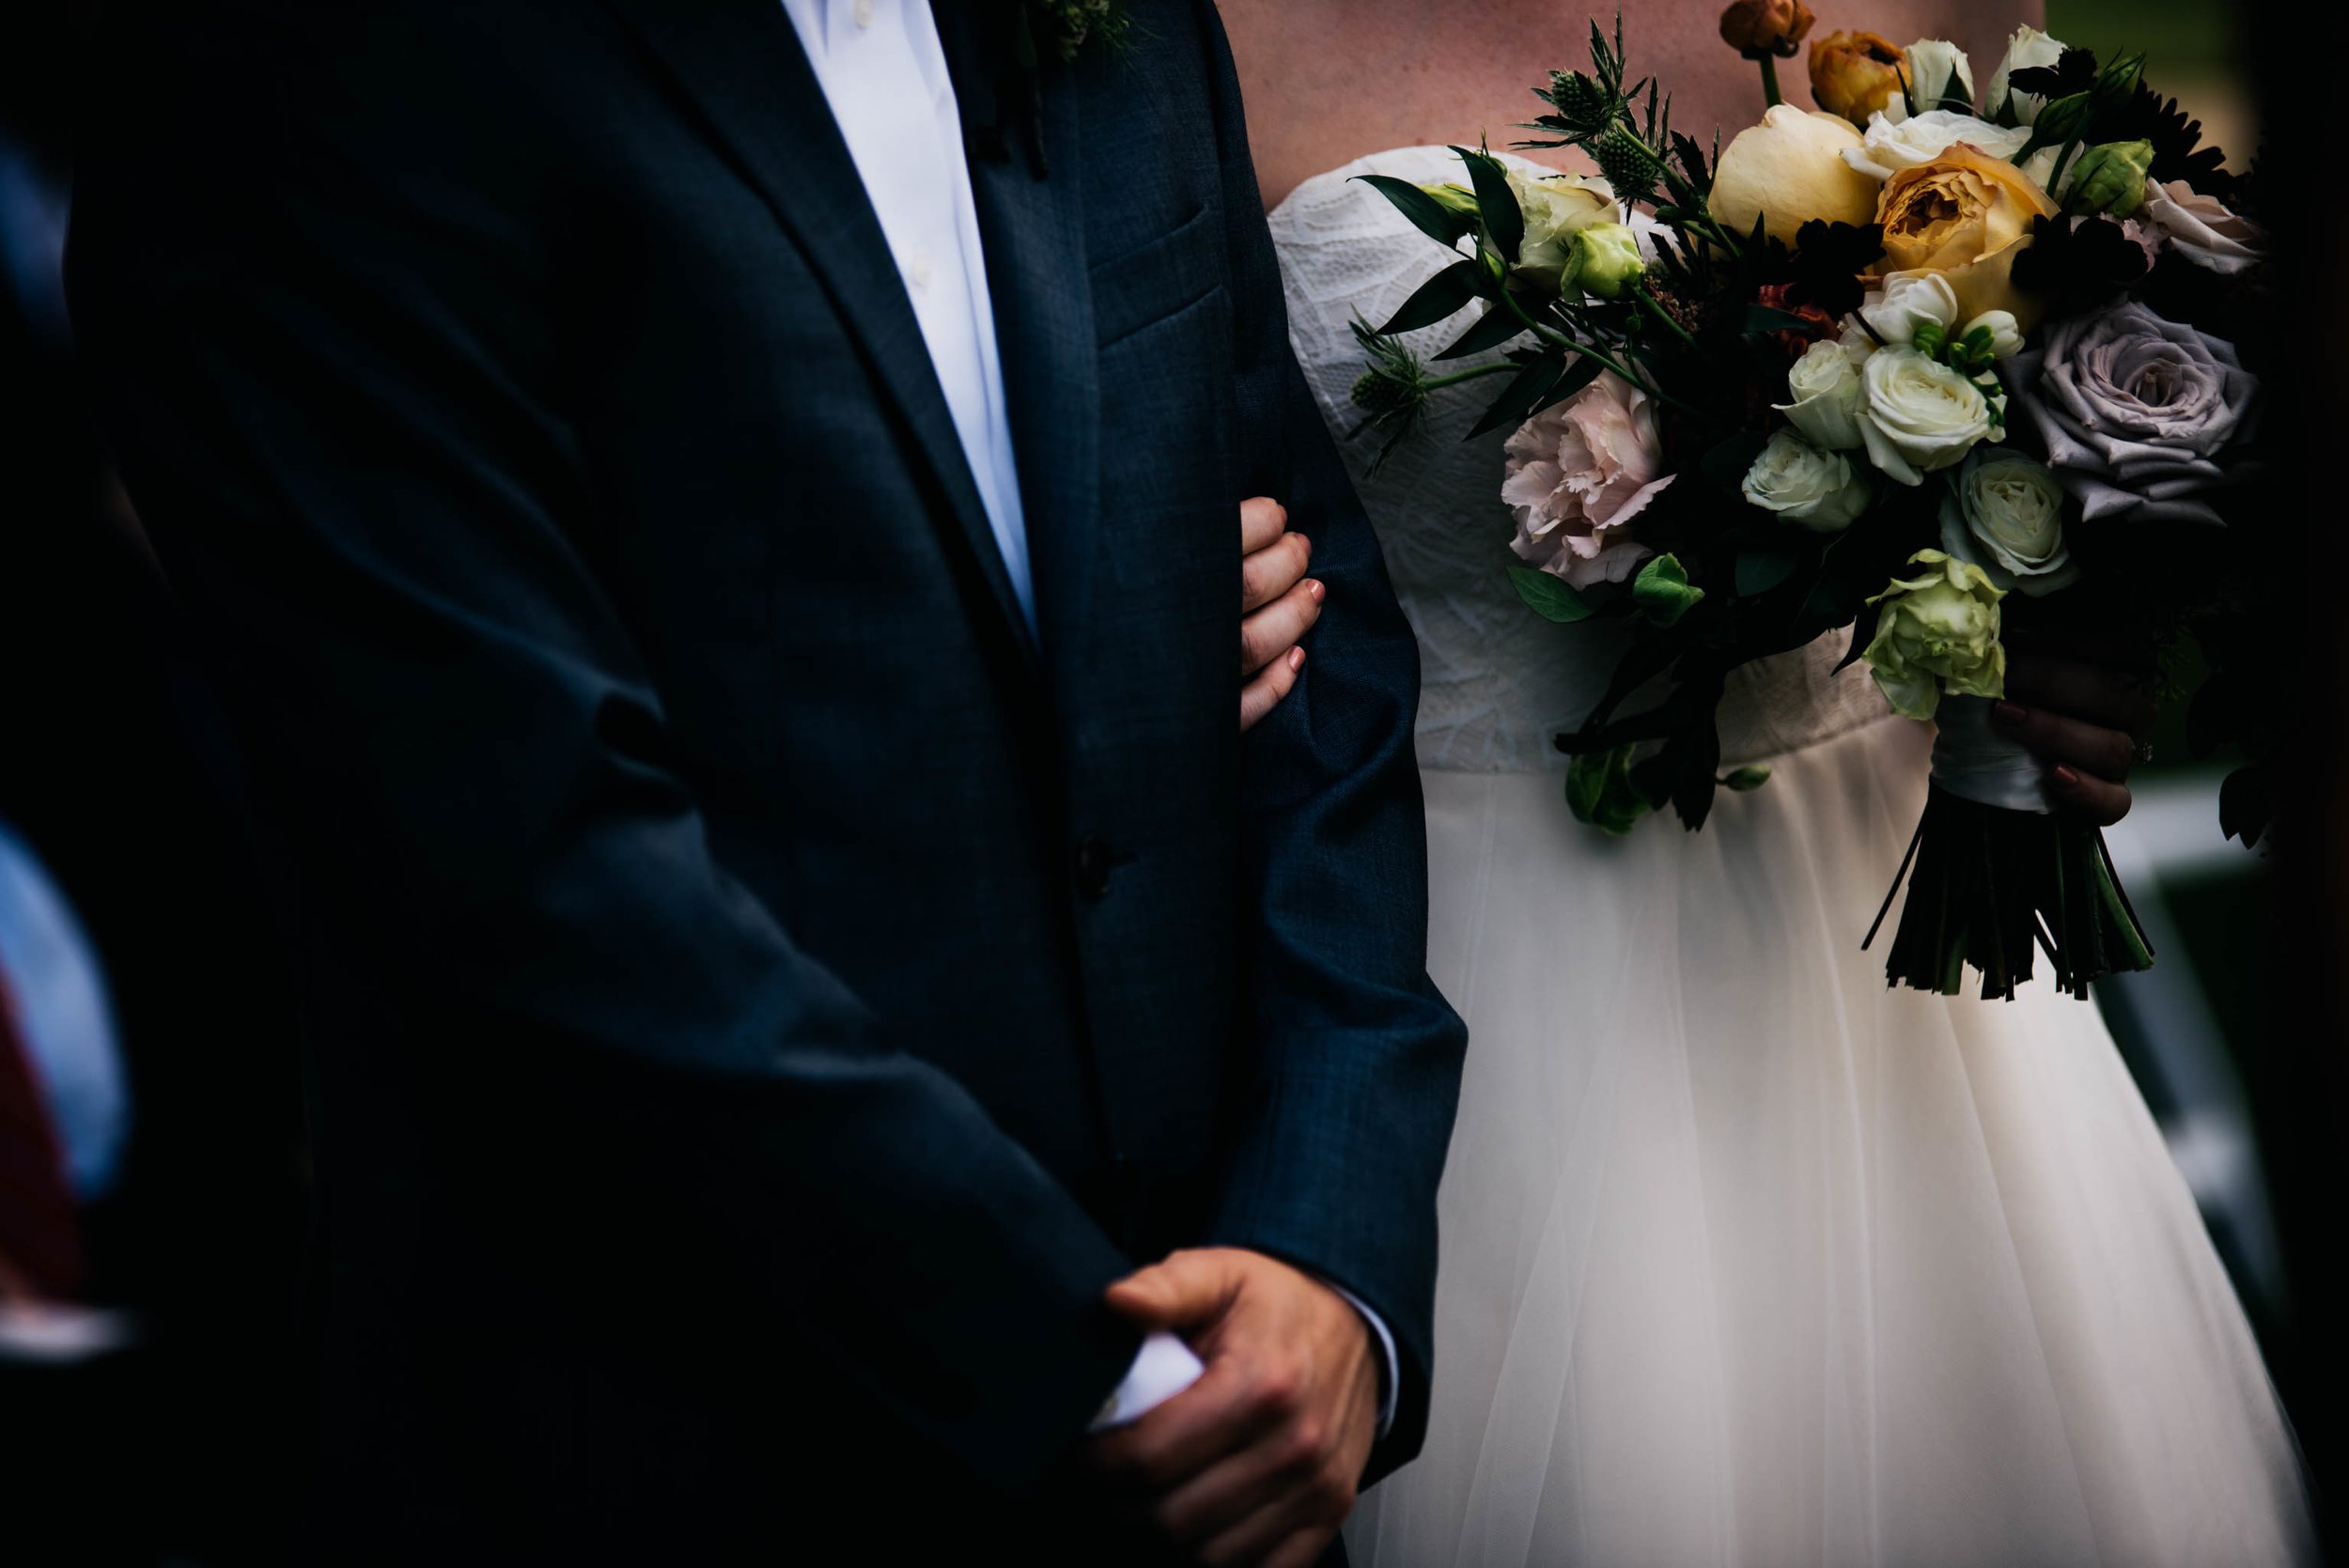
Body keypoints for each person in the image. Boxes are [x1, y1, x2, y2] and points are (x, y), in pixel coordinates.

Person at [69, 1, 1463, 1562]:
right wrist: (1109, 1377)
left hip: (1245, 1425)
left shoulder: (1114, 28)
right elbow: (538, 877)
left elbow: (1326, 657)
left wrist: (1325, 1263)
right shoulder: (313, 73)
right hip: (684, 1451)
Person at [1217, 0, 2319, 1562]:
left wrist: (2058, 610)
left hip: (1905, 985)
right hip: (1443, 967)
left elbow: (2055, 313)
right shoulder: (1179, 37)